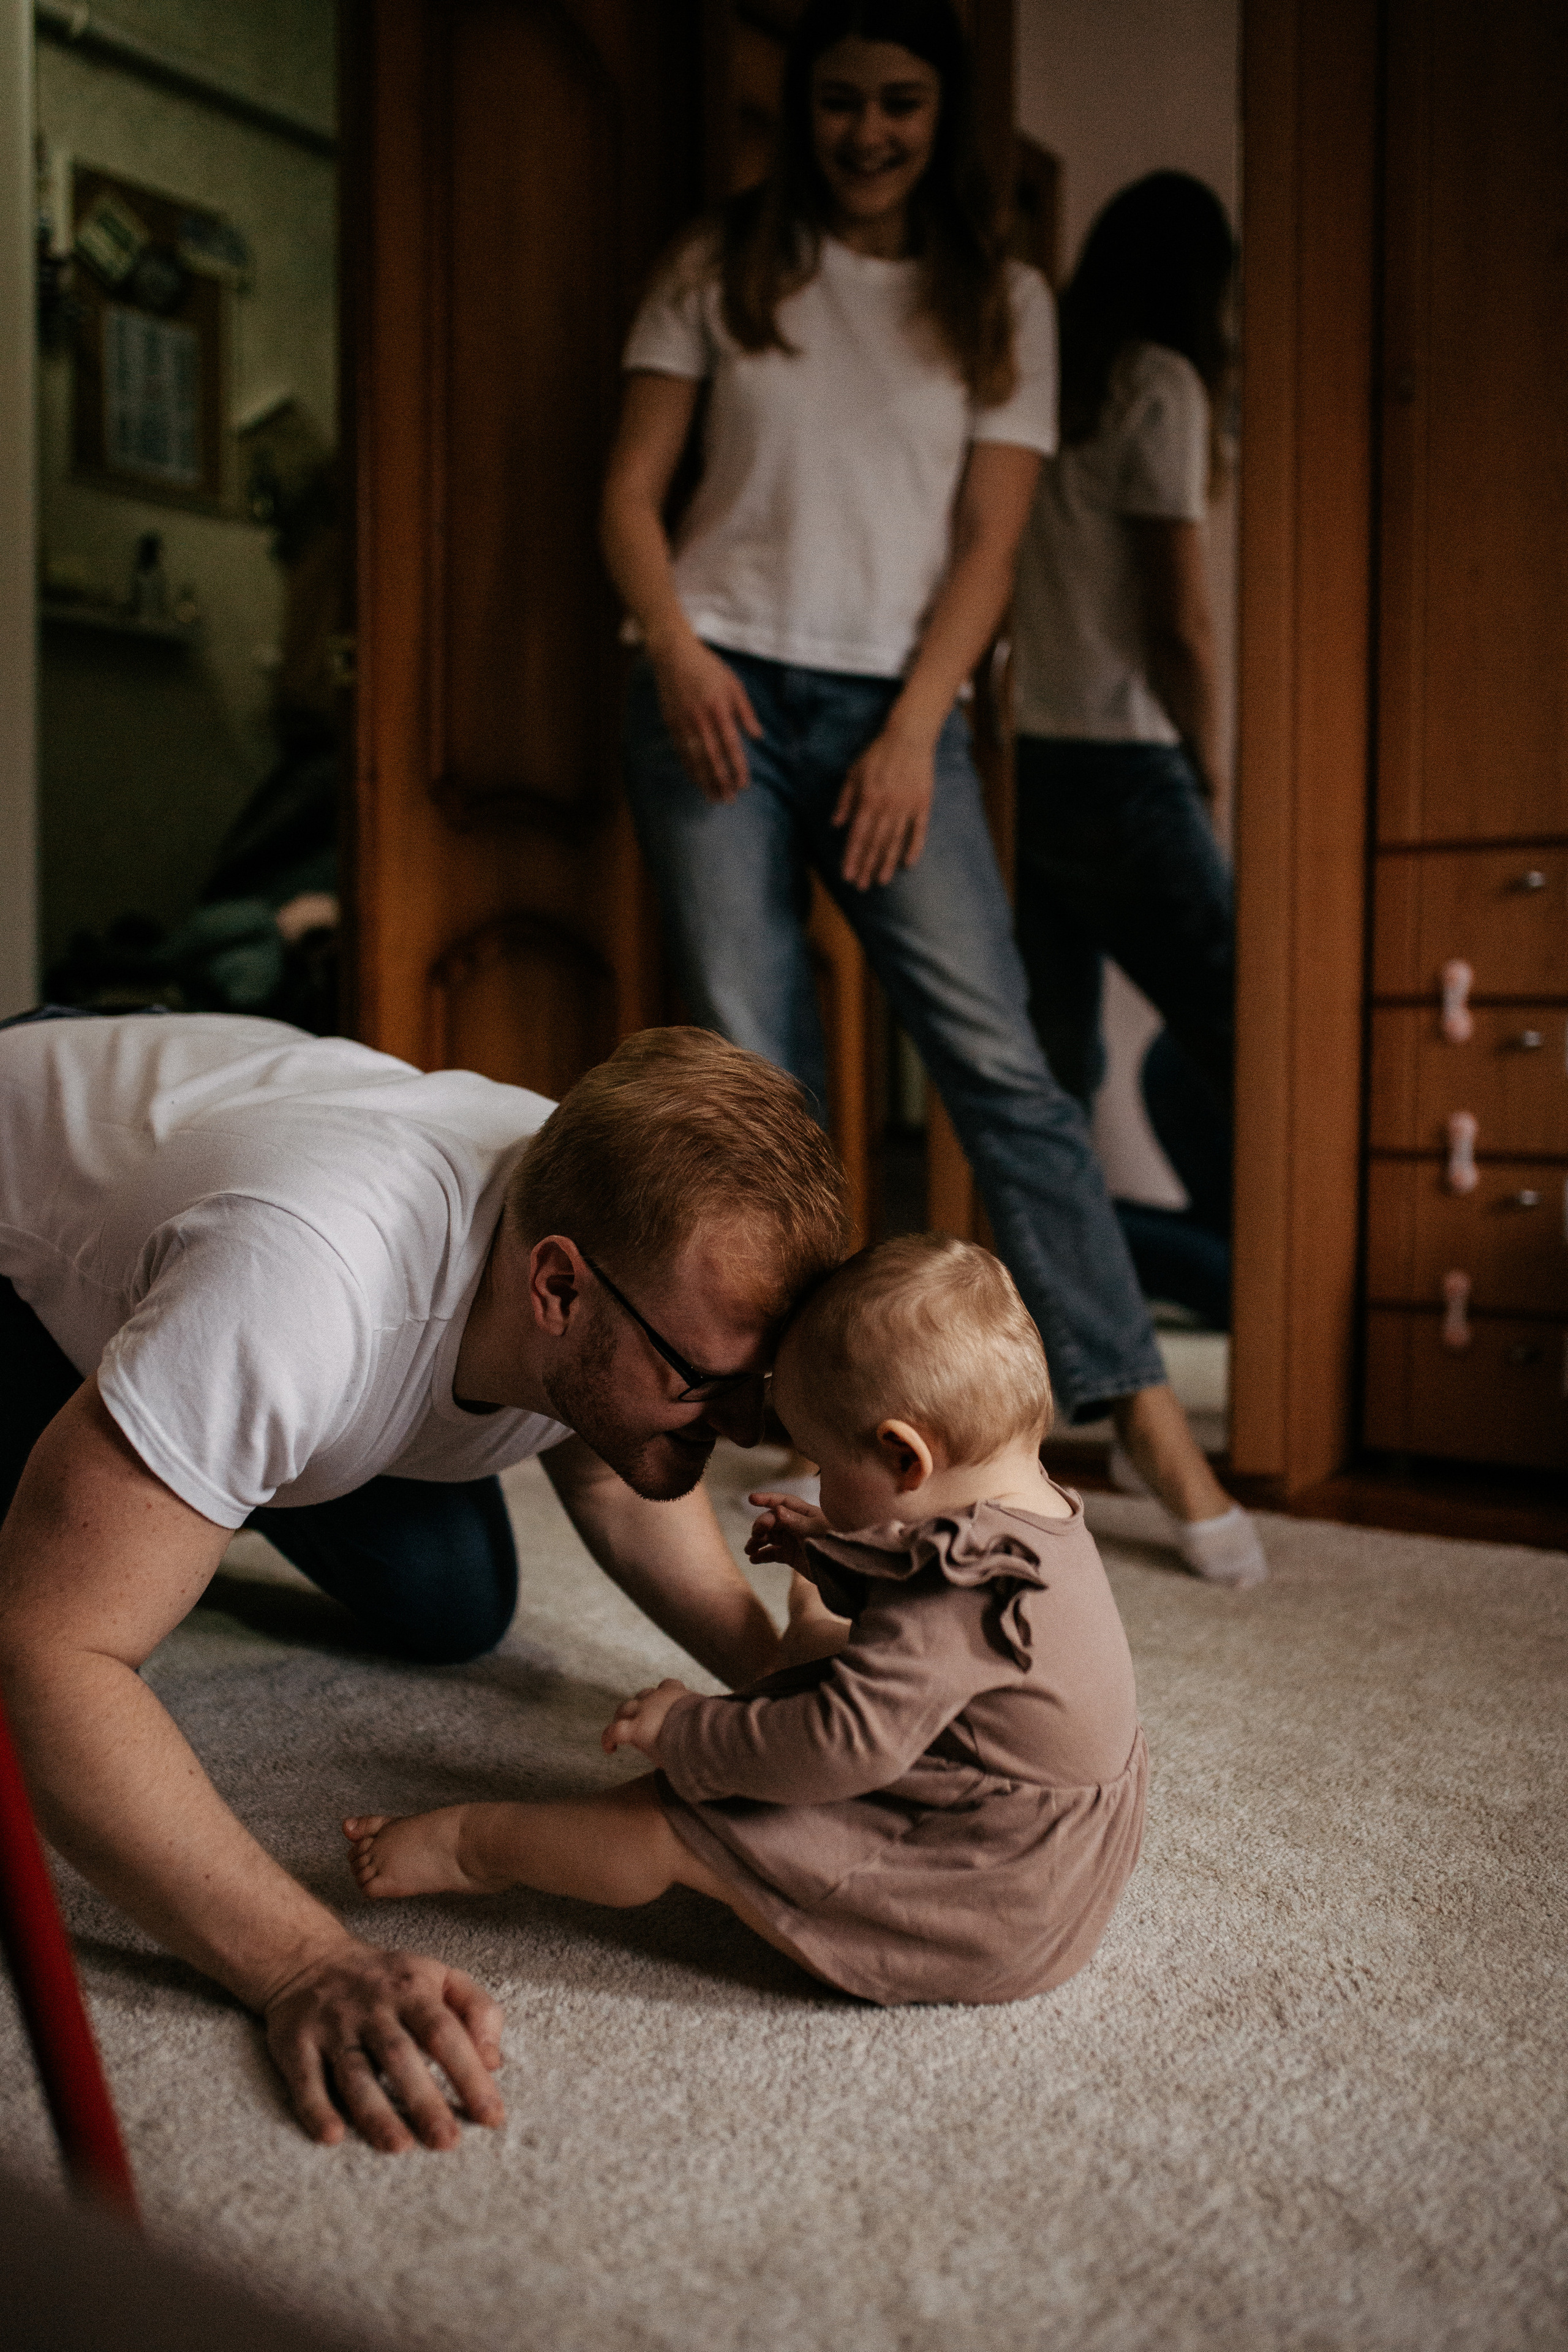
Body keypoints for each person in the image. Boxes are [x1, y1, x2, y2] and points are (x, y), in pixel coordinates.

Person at [601, 0, 1264, 1586]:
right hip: (718, 692)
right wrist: (680, 658)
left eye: (901, 104)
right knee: (758, 1086)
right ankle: (819, 1410)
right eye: (841, 104)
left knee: (1008, 1074)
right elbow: (630, 493)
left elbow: (988, 547)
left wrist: (915, 732)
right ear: (803, 108)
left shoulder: (1006, 300)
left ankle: (1147, 1417)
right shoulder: (716, 264)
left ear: (939, 115)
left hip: (905, 714)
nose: (870, 134)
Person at [0, 1012, 849, 2152]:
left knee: (454, 1606)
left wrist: (794, 1696)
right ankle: (173, 1447)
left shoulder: (608, 1224)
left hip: (236, 1152)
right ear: (556, 1290)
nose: (747, 1431)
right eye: (710, 1384)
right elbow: (53, 1653)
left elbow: (617, 1476)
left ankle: (209, 1460)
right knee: (54, 1595)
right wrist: (305, 1963)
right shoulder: (299, 1293)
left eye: (764, 1388)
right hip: (28, 1217)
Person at [345, 1234, 1147, 2008]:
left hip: (979, 1892)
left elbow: (840, 1746)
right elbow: (940, 1617)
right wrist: (832, 1555)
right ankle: (794, 1652)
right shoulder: (1031, 1515)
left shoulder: (952, 1595)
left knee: (671, 1821)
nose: (822, 1485)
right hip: (1048, 1859)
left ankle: (479, 1847)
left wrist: (687, 1731)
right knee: (820, 1650)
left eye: (827, 1467)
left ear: (907, 1459)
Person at [1010, 172, 1238, 1280]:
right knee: (1258, 1026)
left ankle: (1058, 1314)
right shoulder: (1164, 384)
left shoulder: (1048, 380)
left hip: (1029, 758)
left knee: (1054, 1077)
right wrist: (1211, 768)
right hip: (1128, 766)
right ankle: (1237, 1271)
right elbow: (1178, 623)